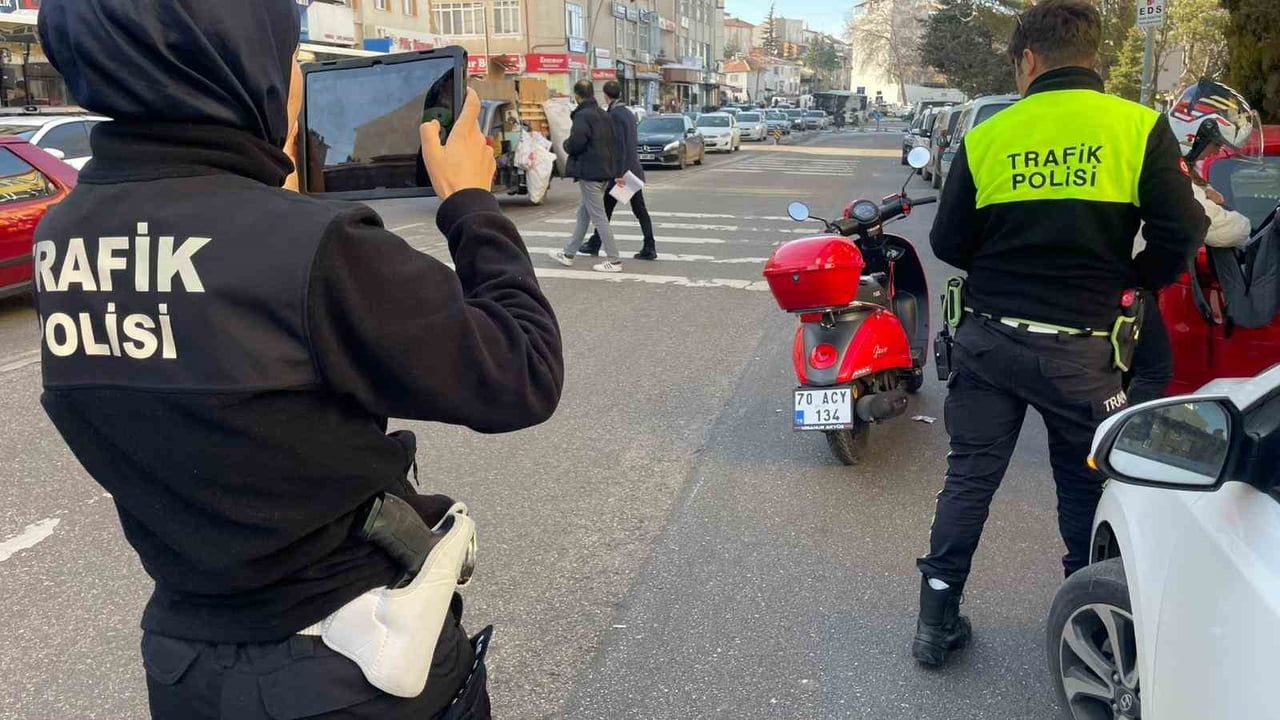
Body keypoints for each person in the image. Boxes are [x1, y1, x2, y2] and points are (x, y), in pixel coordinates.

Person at [34, 1, 563, 717]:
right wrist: (470, 200)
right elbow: (521, 373)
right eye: (289, 58)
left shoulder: (62, 234)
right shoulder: (316, 248)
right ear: (237, 61)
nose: (297, 83)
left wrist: (264, 197)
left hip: (185, 664)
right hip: (351, 663)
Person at [913, 0, 1207, 667]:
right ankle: (1097, 631)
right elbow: (1183, 231)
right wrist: (1132, 279)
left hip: (989, 341)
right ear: (1093, 56)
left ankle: (935, 622)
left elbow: (948, 241)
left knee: (969, 478)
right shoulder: (1137, 127)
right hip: (1083, 351)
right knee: (1083, 487)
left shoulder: (990, 136)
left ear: (1027, 60)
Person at [1126, 79, 1259, 404]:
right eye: (1215, 146)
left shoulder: (1157, 152)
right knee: (1154, 370)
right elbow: (1216, 226)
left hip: (1120, 280)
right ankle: (1128, 437)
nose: (1215, 152)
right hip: (1131, 287)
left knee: (1129, 368)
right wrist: (1252, 227)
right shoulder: (1171, 166)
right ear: (1195, 134)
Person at [578, 80, 658, 261]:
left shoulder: (613, 115)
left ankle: (597, 243)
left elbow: (618, 147)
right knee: (633, 209)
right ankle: (647, 245)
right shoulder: (628, 113)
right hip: (633, 170)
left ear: (605, 95)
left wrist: (618, 175)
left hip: (623, 174)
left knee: (608, 209)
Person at [549, 80, 623, 273]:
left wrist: (566, 145)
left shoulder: (583, 116)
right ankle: (568, 253)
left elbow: (577, 143)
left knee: (599, 217)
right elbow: (614, 143)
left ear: (577, 96)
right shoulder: (603, 114)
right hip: (605, 172)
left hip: (590, 173)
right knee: (584, 214)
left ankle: (614, 260)